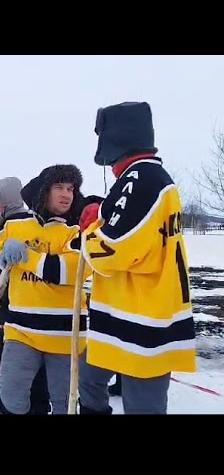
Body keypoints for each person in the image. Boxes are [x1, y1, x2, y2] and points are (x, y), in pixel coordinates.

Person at [78, 101, 196, 414]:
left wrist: (89, 229)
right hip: (125, 317)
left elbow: (111, 251)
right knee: (88, 379)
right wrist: (102, 211)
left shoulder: (141, 179)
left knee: (143, 405)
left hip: (141, 324)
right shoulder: (143, 179)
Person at [0, 164, 92, 415]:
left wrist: (27, 258)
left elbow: (71, 270)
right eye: (59, 187)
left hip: (66, 335)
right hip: (22, 331)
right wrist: (2, 251)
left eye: (71, 189)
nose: (67, 194)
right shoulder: (16, 225)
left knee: (65, 403)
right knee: (10, 397)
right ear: (44, 191)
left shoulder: (78, 230)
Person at [0, 176, 51, 415]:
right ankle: (8, 395)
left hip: (16, 301)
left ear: (8, 199)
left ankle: (27, 401)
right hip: (4, 298)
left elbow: (16, 263)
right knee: (6, 350)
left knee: (17, 355)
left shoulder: (19, 222)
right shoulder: (5, 221)